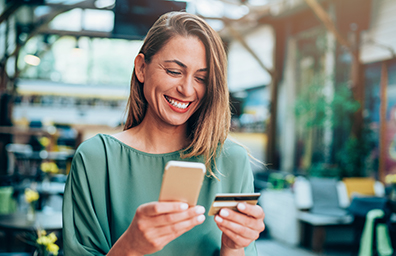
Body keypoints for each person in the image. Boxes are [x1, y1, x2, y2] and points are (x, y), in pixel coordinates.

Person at [62, 11, 265, 256]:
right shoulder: (97, 159)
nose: (187, 89)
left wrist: (233, 247)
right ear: (141, 68)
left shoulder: (231, 160)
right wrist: (130, 248)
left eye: (201, 78)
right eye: (173, 71)